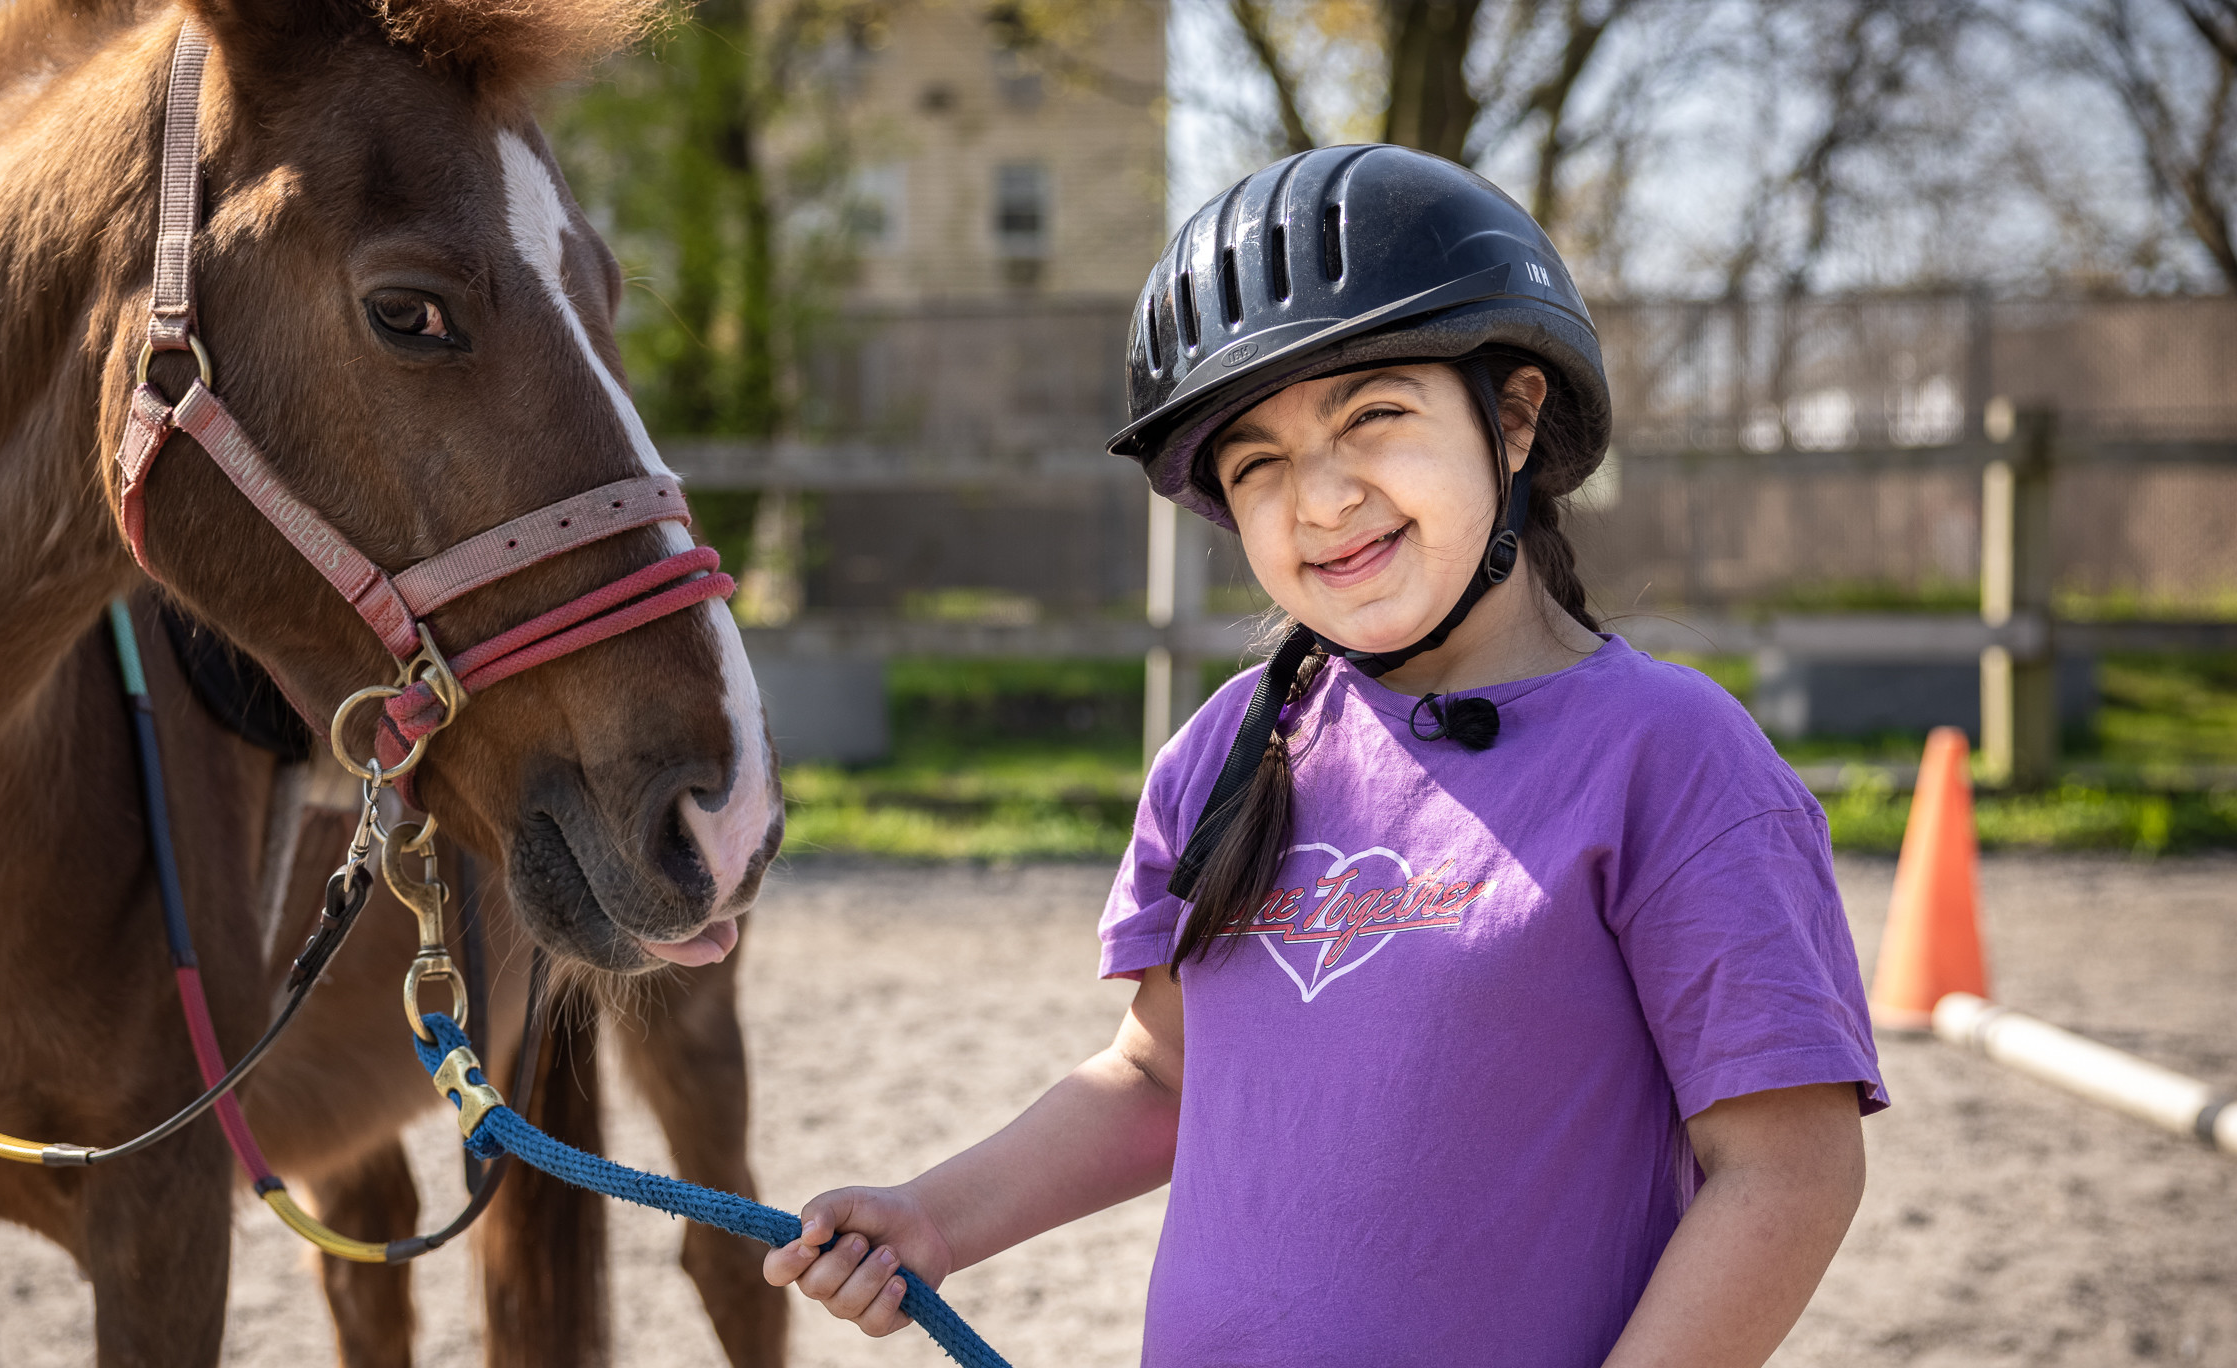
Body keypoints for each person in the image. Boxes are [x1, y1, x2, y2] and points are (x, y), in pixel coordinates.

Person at [758, 146, 1886, 1367]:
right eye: (1260, 464)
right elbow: (1159, 1077)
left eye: (1375, 419)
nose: (1323, 500)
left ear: (1512, 416)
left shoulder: (1672, 759)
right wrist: (935, 1217)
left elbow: (1787, 1170)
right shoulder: (1224, 756)